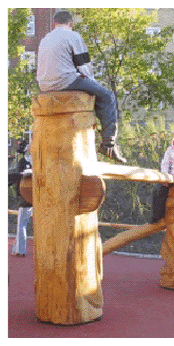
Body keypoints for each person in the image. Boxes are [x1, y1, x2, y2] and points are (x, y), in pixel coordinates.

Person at [37, 10, 126, 164]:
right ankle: (108, 144)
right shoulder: (73, 36)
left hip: (44, 85)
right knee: (107, 96)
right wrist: (92, 84)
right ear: (70, 24)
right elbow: (84, 65)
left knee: (93, 90)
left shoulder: (45, 38)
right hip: (65, 81)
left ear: (54, 24)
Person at [11, 141, 33, 257]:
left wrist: (18, 194)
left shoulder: (23, 162)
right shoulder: (35, 162)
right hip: (33, 197)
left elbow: (19, 180)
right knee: (23, 223)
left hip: (26, 197)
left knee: (21, 224)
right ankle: (17, 248)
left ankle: (20, 249)